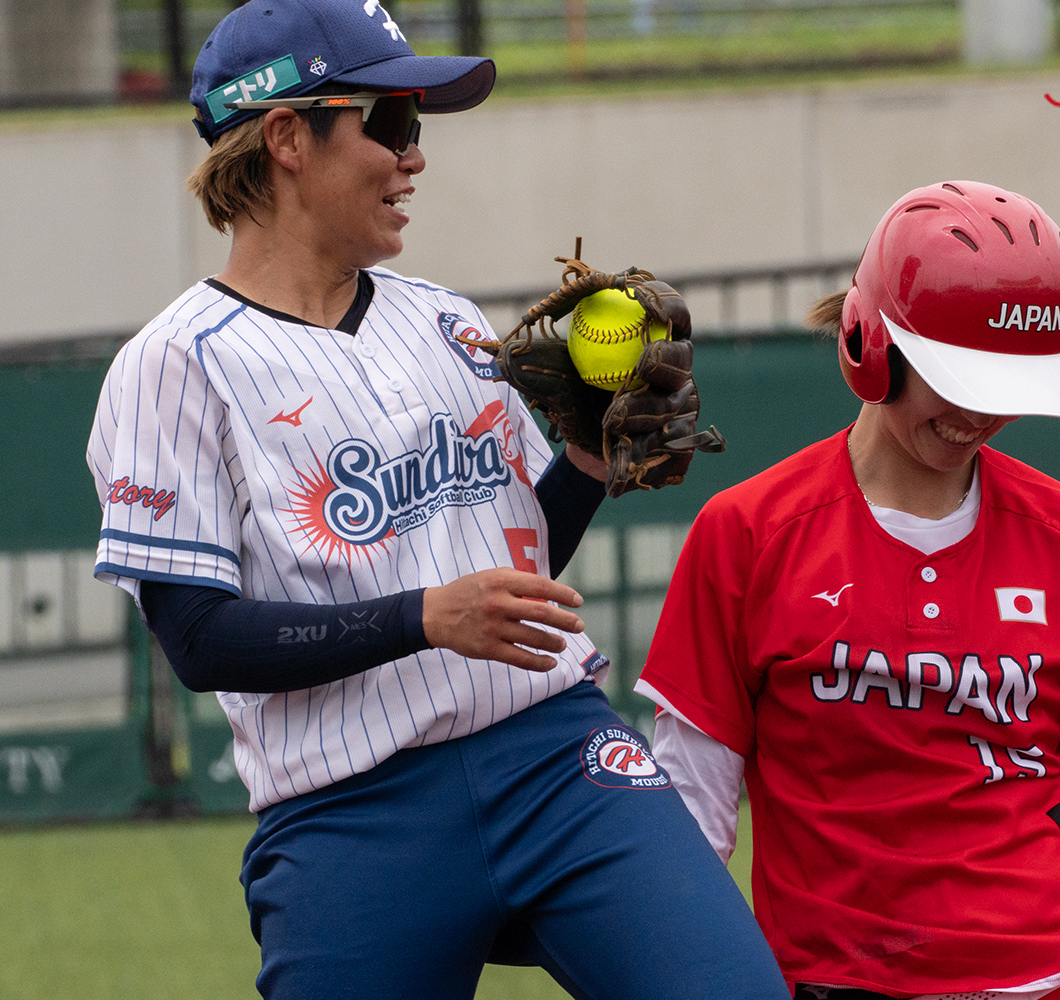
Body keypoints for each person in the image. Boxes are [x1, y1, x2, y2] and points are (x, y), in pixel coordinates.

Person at [85, 2, 788, 998]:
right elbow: (198, 639)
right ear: (287, 135)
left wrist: (589, 457)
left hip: (555, 756)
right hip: (351, 808)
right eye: (393, 122)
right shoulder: (176, 365)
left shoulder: (446, 321)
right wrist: (425, 618)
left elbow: (515, 565)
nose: (414, 157)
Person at [637, 180, 1060, 1000]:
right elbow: (692, 800)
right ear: (869, 342)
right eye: (958, 376)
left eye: (1009, 385)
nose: (980, 413)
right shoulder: (749, 533)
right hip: (837, 982)